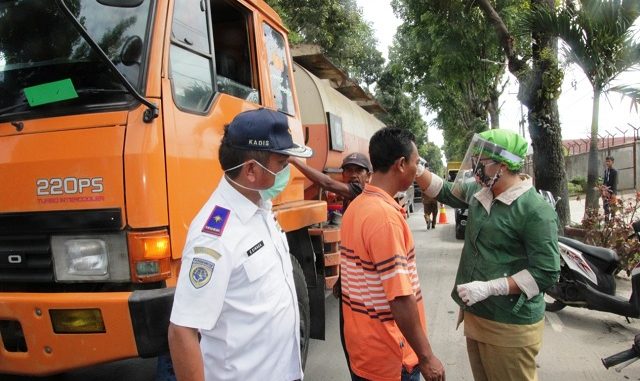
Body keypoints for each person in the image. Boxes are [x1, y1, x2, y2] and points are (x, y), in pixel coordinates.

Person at [167, 108, 313, 381]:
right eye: (282, 164)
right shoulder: (214, 234)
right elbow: (182, 331)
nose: (287, 171)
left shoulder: (259, 206)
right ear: (250, 170)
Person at [415, 129, 560, 381]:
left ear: (502, 167)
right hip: (478, 316)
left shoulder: (534, 210)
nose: (474, 168)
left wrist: (492, 287)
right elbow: (445, 190)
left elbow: (547, 272)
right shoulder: (482, 192)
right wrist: (417, 168)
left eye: (480, 163)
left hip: (509, 325)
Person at [340, 127, 445, 381]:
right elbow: (399, 298)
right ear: (400, 164)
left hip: (365, 352)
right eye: (416, 162)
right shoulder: (384, 218)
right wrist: (426, 355)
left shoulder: (358, 206)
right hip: (390, 359)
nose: (417, 168)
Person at [288, 151, 372, 213]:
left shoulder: (361, 189)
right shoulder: (350, 194)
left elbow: (327, 183)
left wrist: (294, 160)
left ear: (368, 176)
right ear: (343, 174)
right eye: (349, 170)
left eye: (359, 171)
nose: (353, 175)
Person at [602, 155, 618, 221]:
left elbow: (615, 183)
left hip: (612, 192)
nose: (607, 163)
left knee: (612, 207)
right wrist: (603, 190)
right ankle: (606, 221)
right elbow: (605, 181)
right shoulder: (606, 171)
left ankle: (612, 220)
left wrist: (614, 193)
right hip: (606, 192)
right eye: (606, 161)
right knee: (605, 206)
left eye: (609, 161)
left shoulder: (615, 172)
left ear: (612, 162)